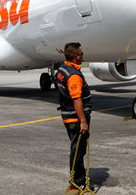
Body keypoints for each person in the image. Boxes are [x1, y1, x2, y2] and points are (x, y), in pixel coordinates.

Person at [56, 42, 92, 190]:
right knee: (78, 150)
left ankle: (79, 178)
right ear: (76, 56)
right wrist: (83, 121)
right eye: (82, 54)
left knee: (77, 148)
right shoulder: (74, 75)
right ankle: (76, 183)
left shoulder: (63, 69)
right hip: (76, 119)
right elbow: (76, 99)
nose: (83, 56)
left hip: (68, 115)